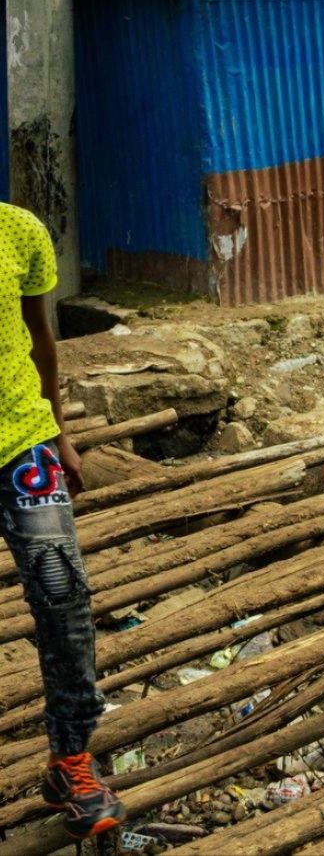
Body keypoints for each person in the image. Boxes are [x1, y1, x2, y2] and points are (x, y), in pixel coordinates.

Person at [0, 205, 123, 838]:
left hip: (23, 442)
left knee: (64, 592)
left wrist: (61, 435)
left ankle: (70, 759)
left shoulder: (20, 231)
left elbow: (40, 337)